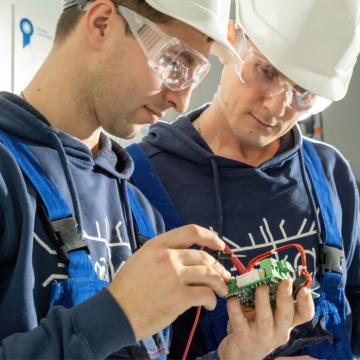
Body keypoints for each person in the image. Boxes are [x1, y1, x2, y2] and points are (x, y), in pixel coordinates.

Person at [0, 0, 315, 359]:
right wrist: (117, 314)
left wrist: (239, 353)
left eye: (195, 75)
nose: (182, 102)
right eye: (175, 62)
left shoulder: (140, 212)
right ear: (102, 23)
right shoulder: (7, 178)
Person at [127, 0, 360, 359]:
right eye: (266, 71)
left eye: (303, 92)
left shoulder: (330, 172)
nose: (276, 107)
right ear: (231, 40)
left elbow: (353, 301)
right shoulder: (137, 181)